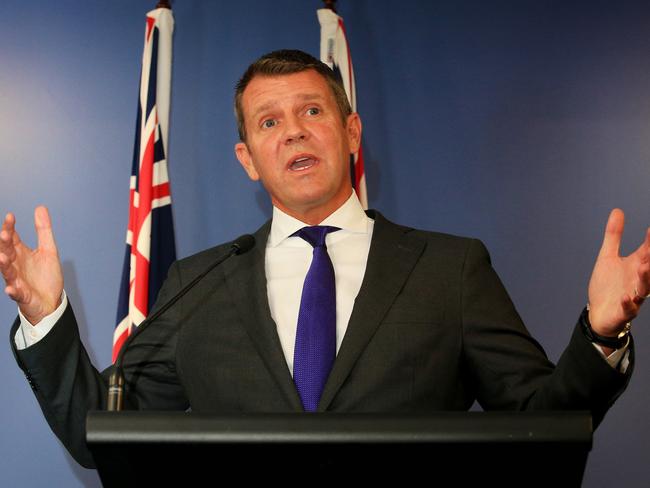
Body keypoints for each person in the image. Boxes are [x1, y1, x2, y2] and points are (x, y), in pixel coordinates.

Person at [1, 50, 648, 469]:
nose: (295, 131)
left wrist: (601, 334)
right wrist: (46, 314)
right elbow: (102, 432)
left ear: (350, 132)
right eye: (268, 122)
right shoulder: (196, 283)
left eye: (312, 111)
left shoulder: (451, 269)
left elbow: (541, 424)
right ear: (248, 159)